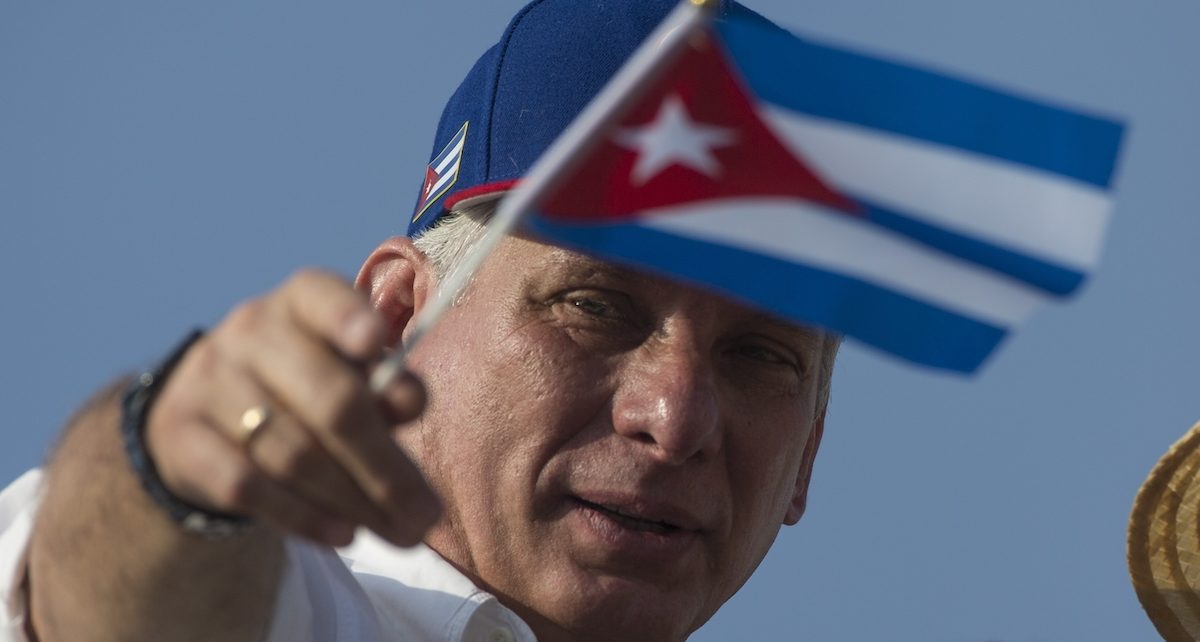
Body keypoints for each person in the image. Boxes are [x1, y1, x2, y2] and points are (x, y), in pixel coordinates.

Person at [0, 1, 838, 640]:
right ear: (398, 319)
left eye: (761, 355)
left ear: (808, 452)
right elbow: (104, 600)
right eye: (595, 306)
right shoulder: (301, 603)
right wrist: (175, 470)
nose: (675, 416)